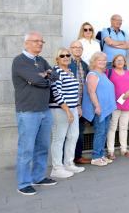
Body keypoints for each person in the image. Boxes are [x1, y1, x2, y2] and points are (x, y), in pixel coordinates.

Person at [12, 31, 59, 195]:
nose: (39, 44)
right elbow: (40, 80)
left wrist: (43, 76)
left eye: (41, 41)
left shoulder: (41, 60)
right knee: (26, 149)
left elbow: (55, 75)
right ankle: (23, 183)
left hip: (44, 110)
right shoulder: (19, 61)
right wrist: (42, 77)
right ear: (26, 43)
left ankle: (38, 177)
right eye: (36, 41)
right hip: (28, 112)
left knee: (42, 146)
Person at [49, 48, 84, 179]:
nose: (65, 57)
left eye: (67, 55)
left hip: (72, 109)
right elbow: (56, 93)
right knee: (59, 138)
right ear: (57, 58)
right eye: (62, 55)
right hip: (60, 110)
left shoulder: (69, 71)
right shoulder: (55, 71)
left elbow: (74, 93)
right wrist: (67, 110)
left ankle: (69, 163)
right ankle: (57, 168)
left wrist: (77, 107)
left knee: (73, 135)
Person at [81, 52, 116, 166]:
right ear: (94, 61)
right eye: (99, 60)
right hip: (99, 109)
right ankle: (96, 157)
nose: (102, 62)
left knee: (104, 131)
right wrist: (97, 106)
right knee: (100, 132)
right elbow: (91, 92)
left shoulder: (103, 74)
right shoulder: (93, 74)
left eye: (104, 60)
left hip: (106, 109)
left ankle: (101, 155)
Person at [106, 54, 129, 159]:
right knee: (112, 127)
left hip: (127, 102)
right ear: (114, 63)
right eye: (117, 60)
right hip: (114, 103)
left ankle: (124, 149)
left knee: (124, 127)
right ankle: (110, 151)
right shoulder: (109, 72)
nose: (120, 62)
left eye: (122, 60)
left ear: (125, 62)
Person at [69, 40, 91, 165]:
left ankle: (77, 156)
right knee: (69, 133)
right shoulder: (67, 63)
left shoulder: (84, 65)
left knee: (79, 131)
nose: (77, 49)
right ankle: (67, 159)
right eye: (75, 47)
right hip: (70, 104)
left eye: (80, 47)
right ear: (71, 49)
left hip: (82, 104)